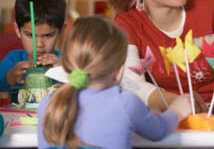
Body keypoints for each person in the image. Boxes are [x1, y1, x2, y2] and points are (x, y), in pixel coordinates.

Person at [37, 16, 191, 148]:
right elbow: (160, 130)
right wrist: (177, 111)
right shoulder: (126, 104)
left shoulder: (48, 104)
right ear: (119, 73)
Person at [0, 0, 66, 101]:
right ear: (17, 30)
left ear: (61, 31)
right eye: (30, 35)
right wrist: (9, 79)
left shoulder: (66, 61)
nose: (39, 44)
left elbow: (86, 87)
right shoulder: (12, 61)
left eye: (48, 35)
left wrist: (64, 72)